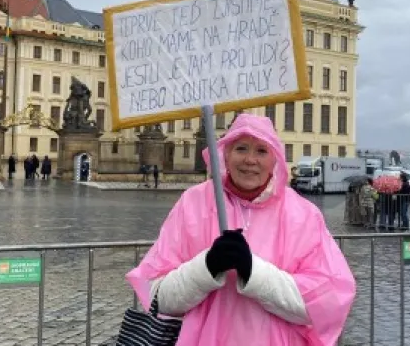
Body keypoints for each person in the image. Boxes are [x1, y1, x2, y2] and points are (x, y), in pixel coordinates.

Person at [125, 114, 356, 345]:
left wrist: (254, 272)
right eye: (241, 148)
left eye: (261, 151)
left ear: (275, 159)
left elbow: (328, 300)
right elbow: (159, 298)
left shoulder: (304, 215)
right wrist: (206, 267)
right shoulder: (193, 203)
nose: (250, 160)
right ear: (226, 154)